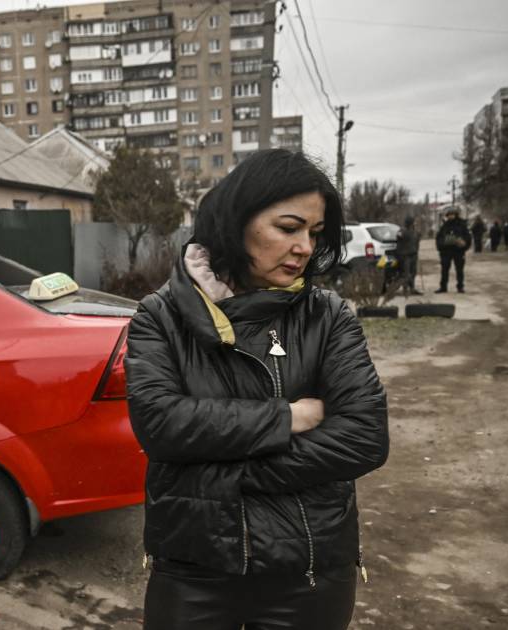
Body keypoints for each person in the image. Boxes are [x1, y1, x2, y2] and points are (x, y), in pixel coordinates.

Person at [125, 149, 388, 630]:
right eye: (289, 228)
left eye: (313, 232)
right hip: (193, 568)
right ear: (236, 221)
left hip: (308, 567)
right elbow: (161, 426)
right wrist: (289, 418)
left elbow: (363, 438)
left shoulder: (327, 316)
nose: (305, 246)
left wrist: (216, 477)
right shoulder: (159, 317)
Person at [435, 209, 472, 293]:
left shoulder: (461, 225)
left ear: (456, 215)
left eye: (452, 214)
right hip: (446, 251)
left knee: (459, 270)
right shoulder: (445, 226)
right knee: (444, 270)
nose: (450, 216)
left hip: (458, 251)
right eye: (449, 215)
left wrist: (464, 244)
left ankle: (460, 287)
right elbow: (439, 238)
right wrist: (441, 245)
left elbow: (467, 237)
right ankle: (443, 287)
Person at [394, 215, 421, 295]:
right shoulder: (402, 231)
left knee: (413, 272)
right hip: (404, 256)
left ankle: (412, 288)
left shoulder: (415, 232)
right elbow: (398, 237)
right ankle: (405, 289)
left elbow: (416, 243)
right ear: (410, 223)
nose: (415, 224)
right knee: (406, 273)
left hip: (413, 254)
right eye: (413, 222)